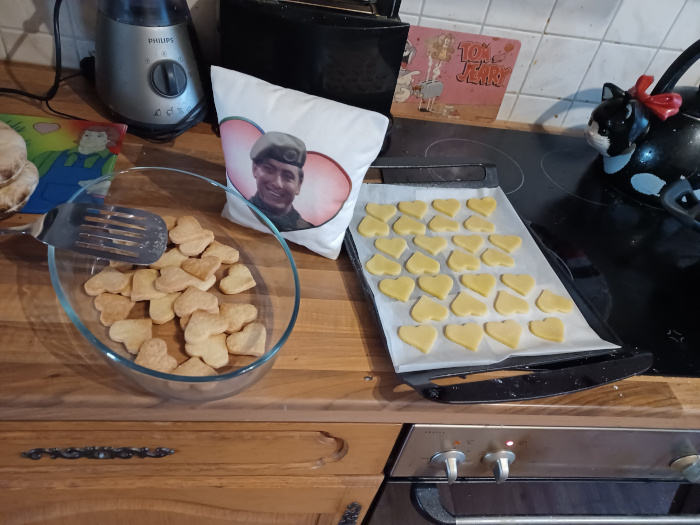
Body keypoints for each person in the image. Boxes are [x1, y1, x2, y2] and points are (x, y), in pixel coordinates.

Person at [23, 125, 120, 213]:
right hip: (32, 211)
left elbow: (110, 186)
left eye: (99, 136)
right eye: (87, 135)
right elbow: (25, 177)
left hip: (77, 214)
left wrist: (95, 185)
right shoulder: (50, 155)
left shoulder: (112, 160)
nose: (91, 139)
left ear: (108, 140)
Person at [248, 131, 314, 232]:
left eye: (288, 176)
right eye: (269, 169)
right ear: (255, 169)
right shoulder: (240, 208)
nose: (277, 183)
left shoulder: (307, 231)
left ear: (299, 184)